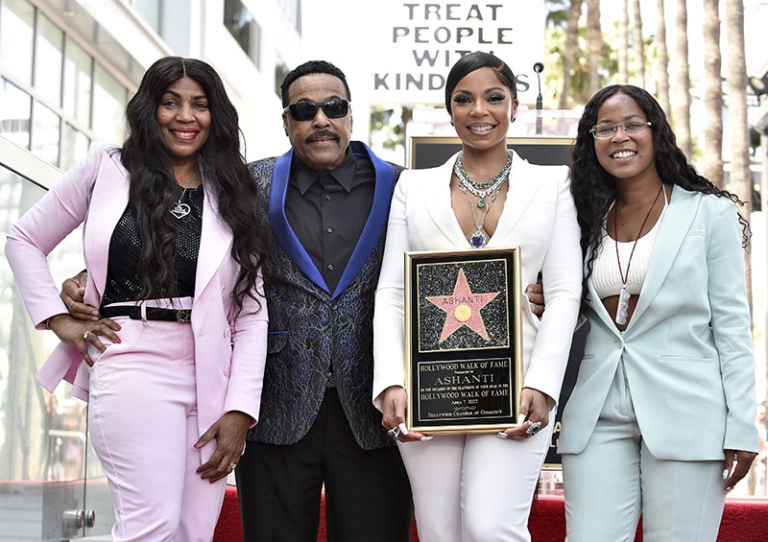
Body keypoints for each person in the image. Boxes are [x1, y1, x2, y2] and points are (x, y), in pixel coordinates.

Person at [6, 56, 269, 541]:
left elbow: (251, 314)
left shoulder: (233, 190)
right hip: (131, 360)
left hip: (211, 373)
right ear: (151, 109)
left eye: (200, 105)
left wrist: (240, 410)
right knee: (152, 526)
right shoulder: (107, 167)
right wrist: (58, 319)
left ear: (217, 117)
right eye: (171, 102)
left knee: (192, 530)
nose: (185, 116)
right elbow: (24, 239)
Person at [372, 51, 583, 541]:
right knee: (440, 532)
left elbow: (564, 289)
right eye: (463, 99)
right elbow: (393, 292)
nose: (479, 110)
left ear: (514, 105)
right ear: (450, 110)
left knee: (491, 528)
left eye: (494, 97)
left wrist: (545, 384)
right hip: (429, 390)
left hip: (516, 388)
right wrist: (391, 382)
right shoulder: (413, 186)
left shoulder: (554, 185)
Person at [557, 84, 759, 541]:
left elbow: (731, 327)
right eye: (605, 128)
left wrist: (743, 427)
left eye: (632, 124)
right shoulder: (583, 215)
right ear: (592, 141)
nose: (619, 136)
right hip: (597, 411)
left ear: (655, 133)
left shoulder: (708, 214)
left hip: (687, 410)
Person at [233, 60, 414, 541]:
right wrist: (95, 276)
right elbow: (197, 257)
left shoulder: (405, 187)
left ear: (350, 115)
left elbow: (450, 268)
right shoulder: (248, 184)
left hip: (376, 411)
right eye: (304, 109)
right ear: (287, 122)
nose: (320, 119)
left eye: (333, 106)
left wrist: (527, 292)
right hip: (275, 409)